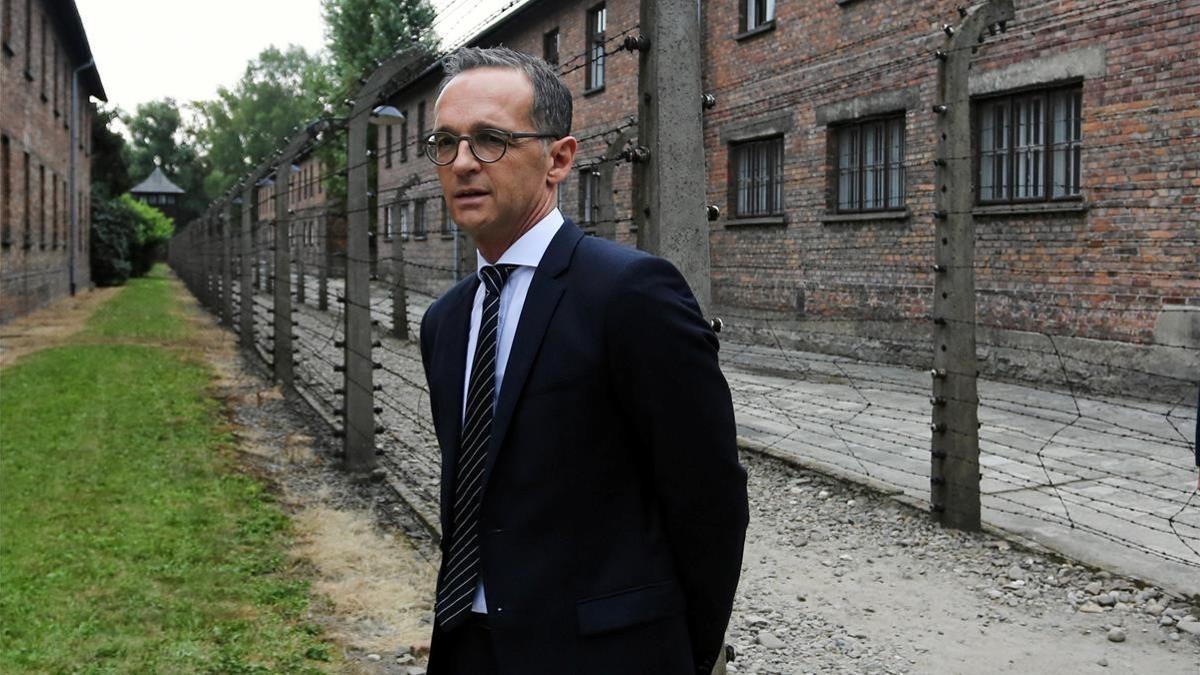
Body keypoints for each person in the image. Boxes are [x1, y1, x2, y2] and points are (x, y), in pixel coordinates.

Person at [418, 47, 749, 674]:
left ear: (559, 159)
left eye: (489, 140)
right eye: (446, 142)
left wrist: (682, 654)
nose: (462, 163)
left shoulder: (629, 294)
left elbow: (708, 499)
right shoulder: (446, 321)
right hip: (469, 647)